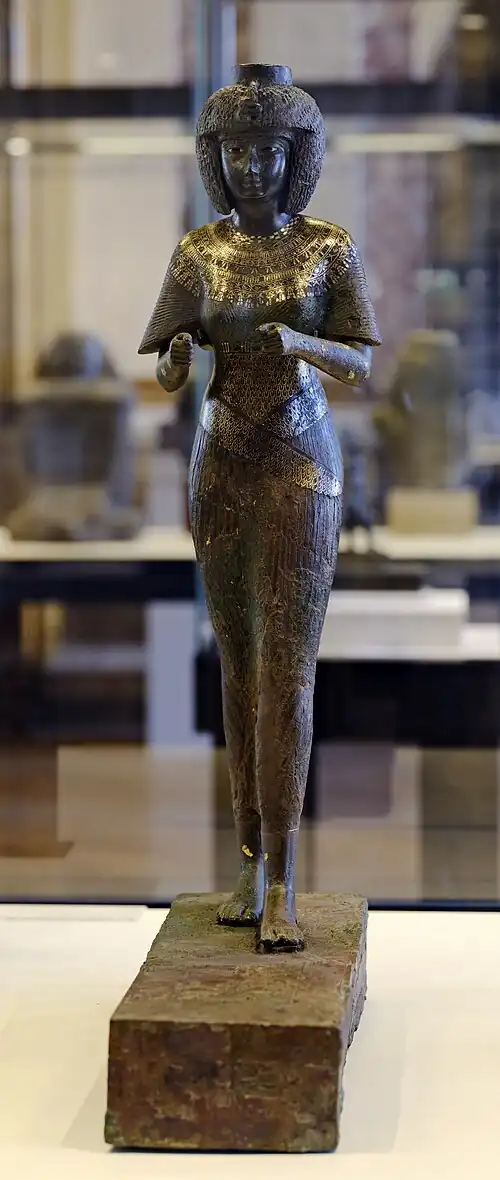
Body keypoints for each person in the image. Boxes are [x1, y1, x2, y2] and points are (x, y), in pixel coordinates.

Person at [139, 64, 381, 952]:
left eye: (268, 152)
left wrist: (305, 342)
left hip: (301, 462)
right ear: (215, 157)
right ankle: (247, 862)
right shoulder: (199, 252)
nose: (252, 168)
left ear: (296, 157)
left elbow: (361, 360)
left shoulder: (328, 246)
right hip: (223, 459)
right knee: (238, 668)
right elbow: (170, 359)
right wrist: (175, 359)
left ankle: (284, 876)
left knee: (289, 669)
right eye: (237, 152)